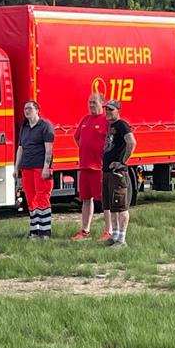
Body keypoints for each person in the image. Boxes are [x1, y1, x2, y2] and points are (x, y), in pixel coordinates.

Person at [72, 93, 112, 242]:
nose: (91, 105)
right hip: (85, 166)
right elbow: (77, 137)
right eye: (89, 103)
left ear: (102, 104)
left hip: (99, 167)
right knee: (85, 200)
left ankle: (109, 230)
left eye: (94, 103)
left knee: (104, 200)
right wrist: (85, 148)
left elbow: (112, 142)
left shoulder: (106, 121)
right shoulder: (85, 120)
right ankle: (85, 231)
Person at [14, 100, 55, 239]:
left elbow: (49, 149)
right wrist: (16, 167)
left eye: (30, 108)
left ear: (37, 110)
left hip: (40, 167)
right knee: (31, 199)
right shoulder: (24, 128)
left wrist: (46, 167)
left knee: (42, 197)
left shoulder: (45, 126)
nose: (26, 111)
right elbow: (20, 148)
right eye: (25, 108)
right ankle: (34, 230)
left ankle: (45, 231)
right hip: (27, 168)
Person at [101, 99, 137, 248]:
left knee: (121, 206)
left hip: (118, 172)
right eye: (107, 109)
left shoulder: (122, 125)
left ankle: (122, 239)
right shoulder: (111, 126)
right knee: (111, 206)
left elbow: (132, 142)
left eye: (111, 109)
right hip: (108, 171)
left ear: (117, 110)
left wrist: (122, 161)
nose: (108, 112)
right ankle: (114, 235)